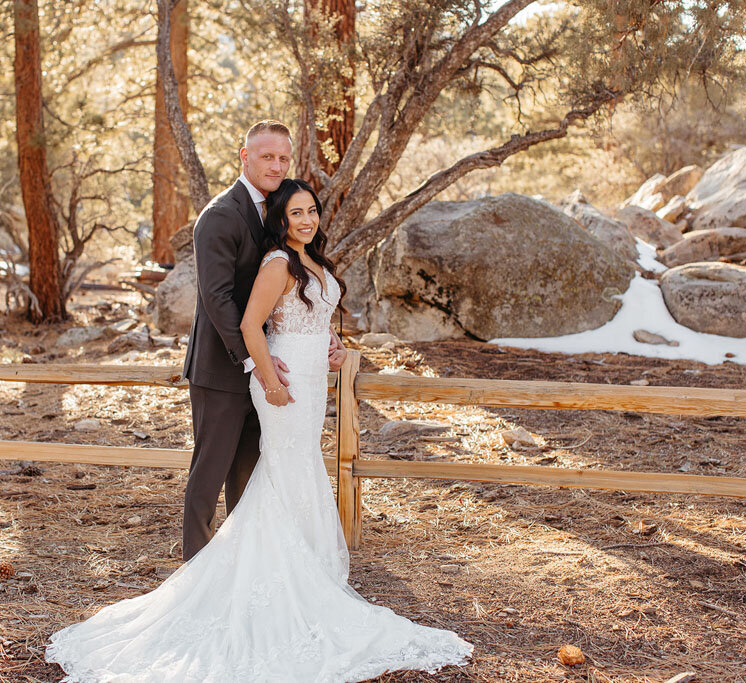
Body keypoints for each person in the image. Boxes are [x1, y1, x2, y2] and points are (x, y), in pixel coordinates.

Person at [44, 176, 472, 681]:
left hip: (313, 379)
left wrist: (335, 347)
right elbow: (251, 325)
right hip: (282, 379)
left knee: (299, 465)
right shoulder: (276, 263)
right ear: (281, 220)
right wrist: (267, 379)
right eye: (296, 214)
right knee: (283, 465)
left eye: (312, 210)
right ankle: (262, 578)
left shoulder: (314, 261)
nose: (307, 220)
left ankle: (306, 570)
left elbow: (317, 316)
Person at [177, 120, 344, 562]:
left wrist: (320, 337)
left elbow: (294, 289)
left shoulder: (282, 209)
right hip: (224, 364)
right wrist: (257, 360)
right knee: (210, 471)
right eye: (266, 156)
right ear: (244, 156)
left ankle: (245, 562)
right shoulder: (219, 216)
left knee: (251, 473)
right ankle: (196, 564)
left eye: (283, 157)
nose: (276, 164)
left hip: (278, 366)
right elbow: (217, 297)